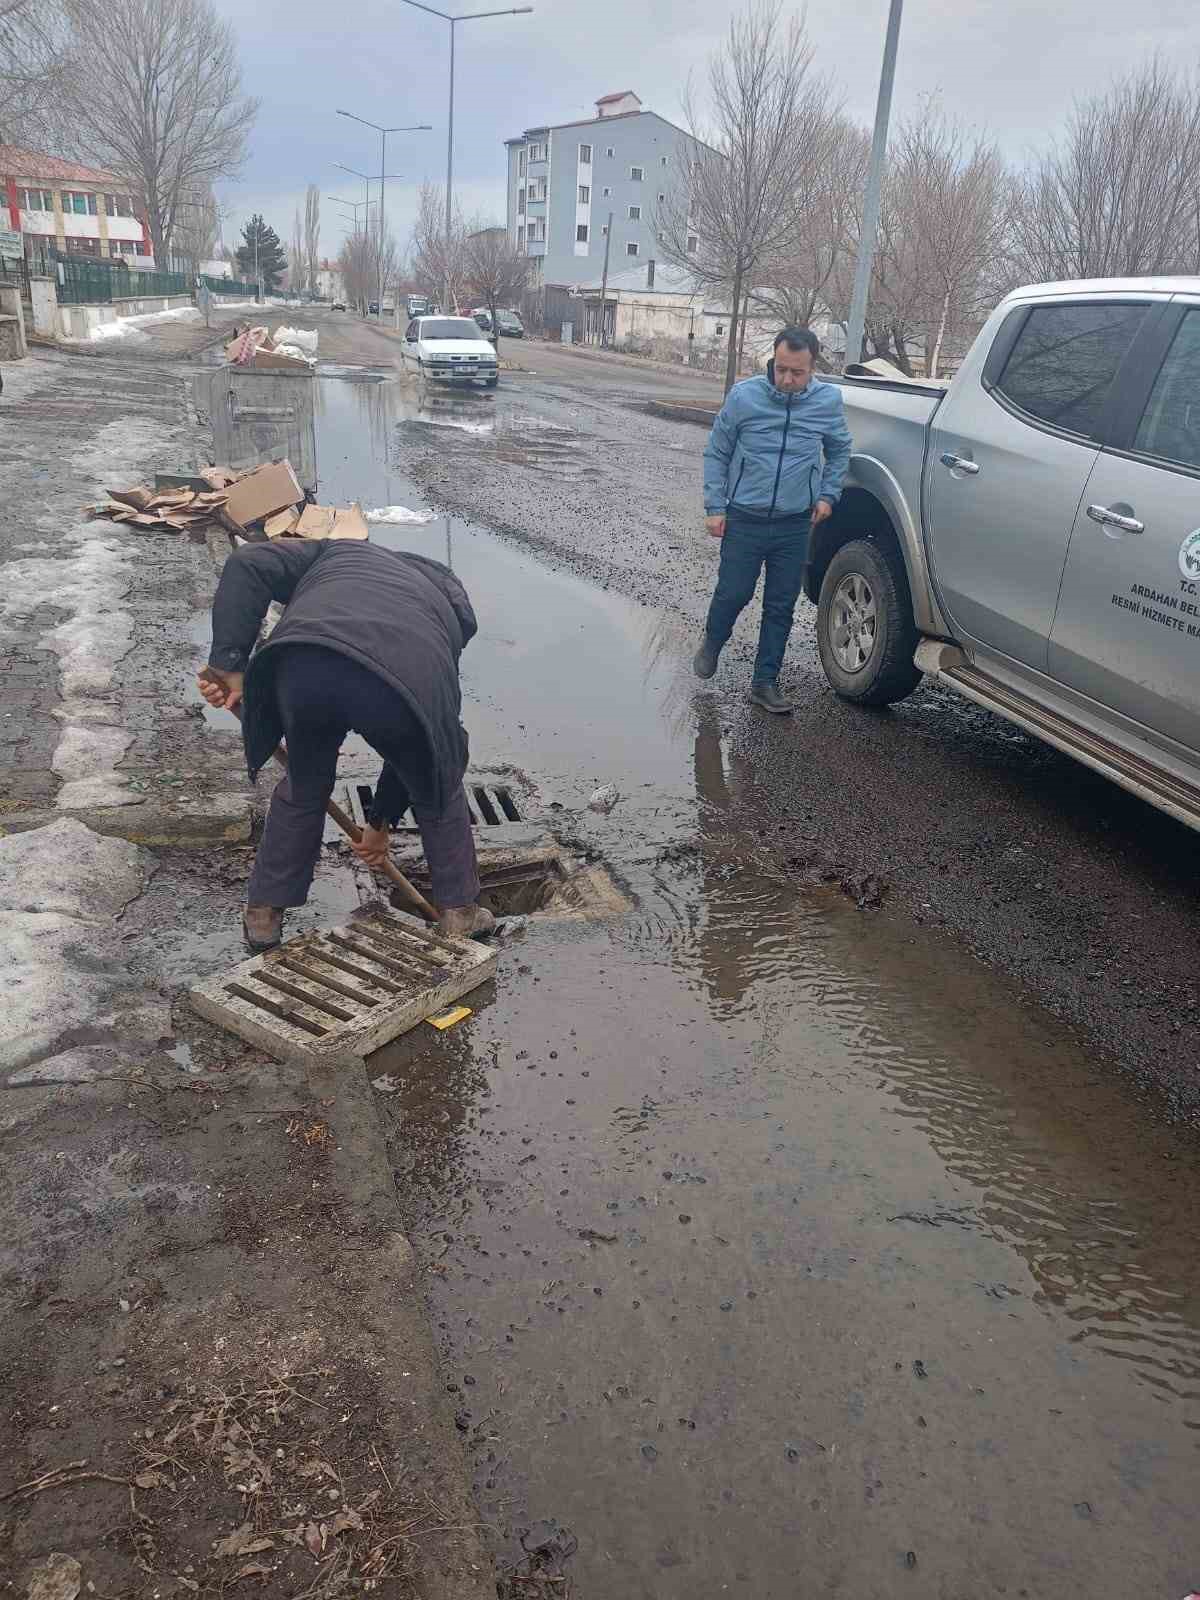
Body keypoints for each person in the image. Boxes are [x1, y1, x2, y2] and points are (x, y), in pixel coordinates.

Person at [197, 537, 493, 951]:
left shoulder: (337, 553)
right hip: (398, 680)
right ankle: (460, 912)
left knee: (304, 783)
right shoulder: (438, 612)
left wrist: (228, 665)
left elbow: (249, 561)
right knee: (438, 779)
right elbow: (419, 752)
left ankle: (263, 916)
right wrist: (382, 823)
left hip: (303, 663)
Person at [693, 326, 852, 713]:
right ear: (773, 360)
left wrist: (829, 494)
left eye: (797, 373)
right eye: (781, 369)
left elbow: (840, 449)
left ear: (813, 368)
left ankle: (765, 682)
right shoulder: (745, 397)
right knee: (734, 592)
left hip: (794, 523)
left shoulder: (827, 402)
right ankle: (713, 641)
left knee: (781, 604)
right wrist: (716, 507)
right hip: (745, 517)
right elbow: (717, 452)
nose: (787, 379)